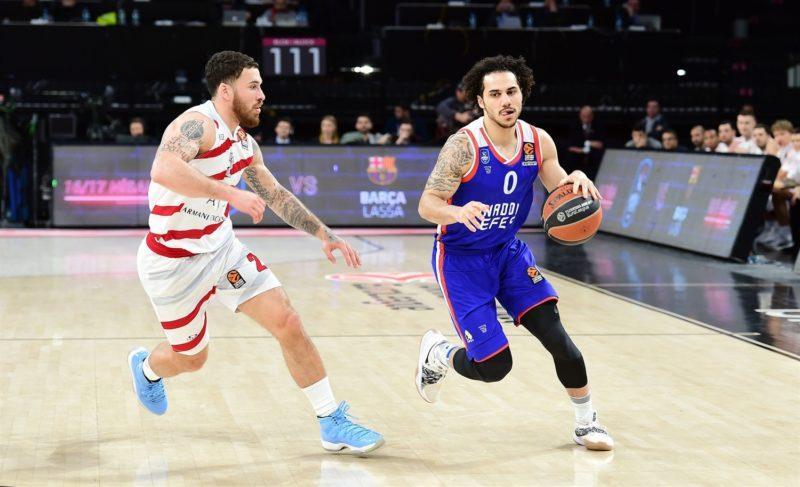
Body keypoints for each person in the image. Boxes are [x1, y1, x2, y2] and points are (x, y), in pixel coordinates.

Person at [129, 51, 384, 455]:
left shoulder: (244, 143)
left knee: (288, 321)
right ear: (226, 90)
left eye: (261, 86)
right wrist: (229, 193)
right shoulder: (196, 124)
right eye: (253, 86)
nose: (262, 94)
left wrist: (323, 233)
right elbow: (163, 169)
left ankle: (330, 420)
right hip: (171, 263)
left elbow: (276, 194)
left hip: (221, 251)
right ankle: (147, 369)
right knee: (192, 358)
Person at [414, 55, 613, 451]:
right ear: (480, 101)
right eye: (495, 94)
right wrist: (456, 211)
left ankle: (586, 423)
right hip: (461, 261)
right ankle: (439, 353)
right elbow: (426, 204)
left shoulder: (538, 141)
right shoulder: (463, 146)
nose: (505, 101)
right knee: (494, 367)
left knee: (559, 339)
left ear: (522, 94)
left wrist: (574, 180)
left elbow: (558, 187)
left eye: (512, 92)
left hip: (508, 254)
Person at [566, 105, 605, 180]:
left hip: (592, 159)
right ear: (580, 116)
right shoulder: (575, 126)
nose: (586, 119)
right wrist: (582, 150)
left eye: (588, 116)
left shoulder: (598, 126)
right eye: (584, 116)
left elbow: (600, 144)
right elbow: (570, 146)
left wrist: (588, 143)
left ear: (592, 116)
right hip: (577, 159)